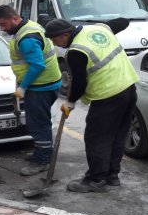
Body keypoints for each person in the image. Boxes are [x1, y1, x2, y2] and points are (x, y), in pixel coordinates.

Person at [44, 19, 138, 193]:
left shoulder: (75, 51)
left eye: (54, 39)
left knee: (97, 139)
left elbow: (79, 83)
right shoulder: (99, 29)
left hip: (108, 95)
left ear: (65, 35)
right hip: (129, 88)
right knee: (117, 136)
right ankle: (112, 176)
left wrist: (69, 102)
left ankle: (96, 179)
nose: (54, 43)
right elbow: (122, 22)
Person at [0, 5, 62, 176]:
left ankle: (43, 160)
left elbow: (37, 65)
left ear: (15, 19)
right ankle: (41, 153)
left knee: (39, 124)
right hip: (47, 83)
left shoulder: (27, 38)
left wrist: (23, 87)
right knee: (38, 122)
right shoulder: (31, 26)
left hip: (41, 87)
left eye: (4, 24)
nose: (3, 29)